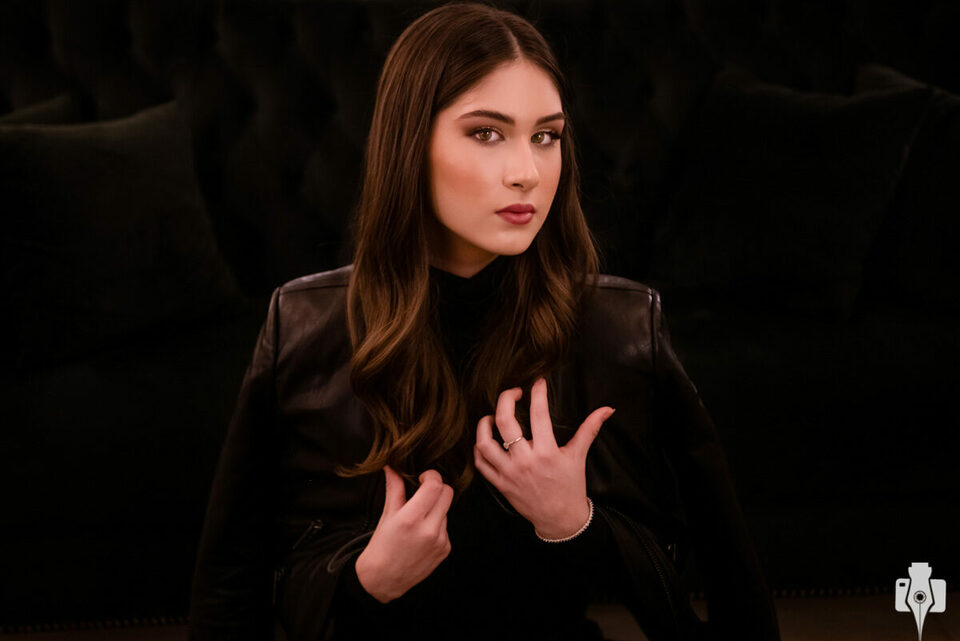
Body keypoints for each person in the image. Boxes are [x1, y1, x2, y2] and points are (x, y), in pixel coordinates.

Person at [188, 2, 780, 640]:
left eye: (546, 136)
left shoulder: (621, 329)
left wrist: (576, 524)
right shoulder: (304, 326)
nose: (527, 173)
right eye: (487, 133)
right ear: (411, 145)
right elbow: (230, 588)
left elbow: (729, 583)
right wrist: (362, 582)